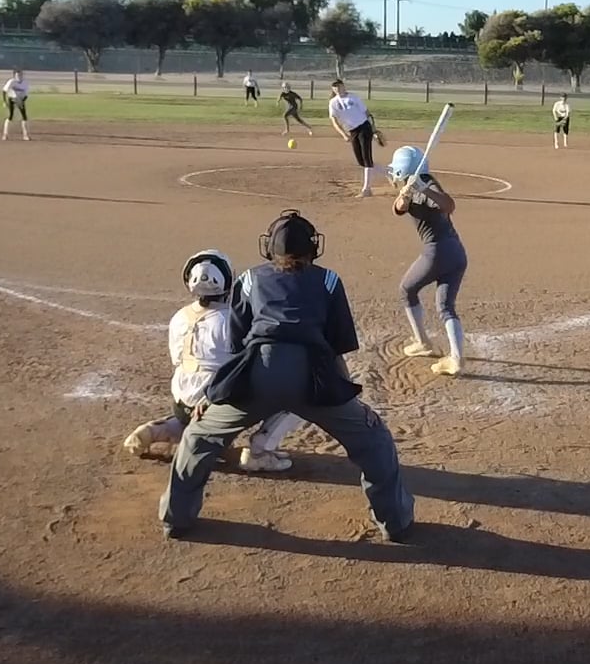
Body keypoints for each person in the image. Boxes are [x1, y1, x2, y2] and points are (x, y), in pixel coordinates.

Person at [159, 210, 413, 542]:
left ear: (269, 248)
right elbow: (337, 348)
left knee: (198, 437)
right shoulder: (328, 280)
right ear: (313, 248)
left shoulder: (249, 279)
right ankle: (395, 522)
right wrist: (347, 398)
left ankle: (176, 519)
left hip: (257, 375)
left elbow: (236, 347)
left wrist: (213, 396)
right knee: (374, 440)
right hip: (314, 378)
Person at [122, 249, 305, 472]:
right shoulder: (233, 319)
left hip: (183, 403)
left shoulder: (179, 317)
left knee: (199, 415)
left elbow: (177, 360)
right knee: (300, 391)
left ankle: (164, 429)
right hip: (215, 403)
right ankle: (260, 451)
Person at [388, 145, 469, 376]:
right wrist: (405, 196)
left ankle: (423, 342)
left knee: (407, 289)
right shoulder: (410, 186)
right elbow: (398, 209)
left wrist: (423, 189)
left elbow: (449, 206)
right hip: (456, 252)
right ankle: (456, 359)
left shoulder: (426, 183)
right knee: (445, 306)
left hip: (437, 252)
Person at [327, 77, 381, 197]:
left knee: (367, 158)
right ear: (333, 89)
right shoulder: (333, 102)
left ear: (343, 86)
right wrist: (344, 134)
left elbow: (367, 113)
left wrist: (374, 130)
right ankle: (388, 173)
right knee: (361, 161)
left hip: (364, 127)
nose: (337, 88)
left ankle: (366, 190)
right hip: (352, 131)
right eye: (335, 86)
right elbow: (334, 121)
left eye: (339, 85)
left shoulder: (354, 97)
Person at [2, 69, 30, 141]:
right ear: (14, 76)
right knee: (10, 116)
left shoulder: (25, 83)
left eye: (20, 75)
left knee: (24, 117)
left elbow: (26, 95)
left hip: (20, 100)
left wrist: (21, 101)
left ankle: (25, 135)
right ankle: (5, 134)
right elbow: (4, 91)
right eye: (17, 75)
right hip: (12, 99)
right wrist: (4, 101)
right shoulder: (11, 82)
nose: (19, 76)